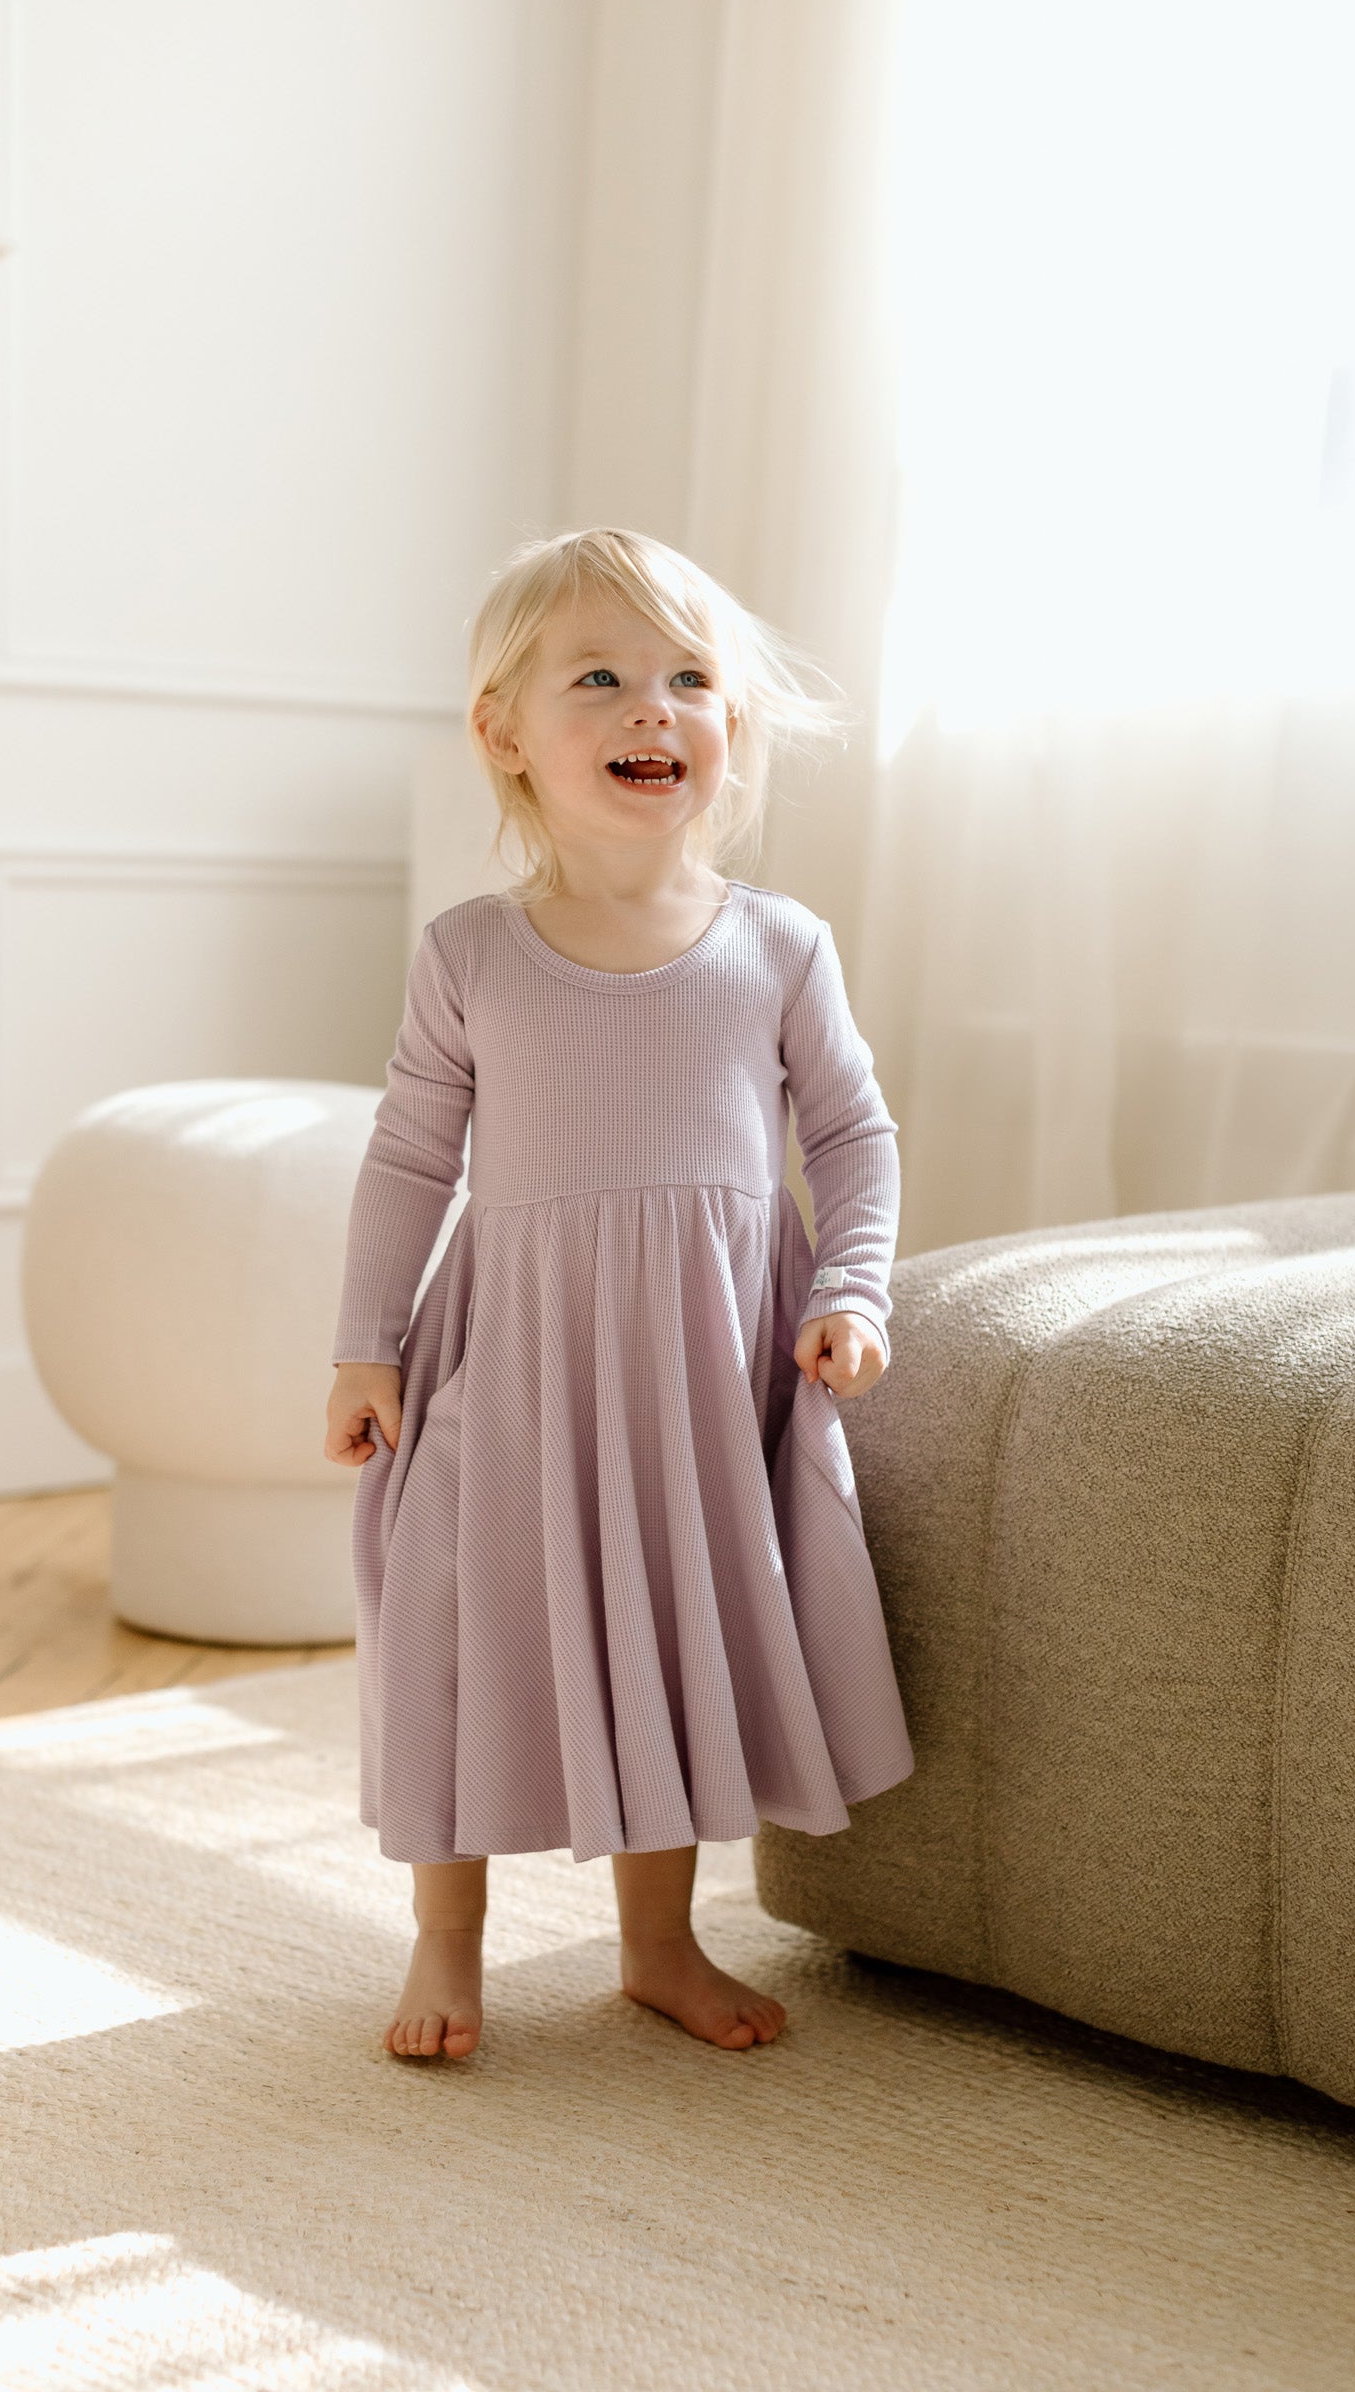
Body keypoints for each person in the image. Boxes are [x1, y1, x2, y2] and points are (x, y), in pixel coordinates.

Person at [324, 526, 914, 2062]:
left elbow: (851, 1134)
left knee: (670, 1633)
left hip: (703, 1373)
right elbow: (410, 1156)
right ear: (504, 732)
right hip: (517, 1362)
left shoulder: (779, 947)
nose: (653, 707)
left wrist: (851, 1288)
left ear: (733, 728)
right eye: (600, 678)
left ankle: (658, 1941)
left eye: (689, 679)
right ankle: (447, 1941)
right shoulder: (472, 955)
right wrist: (365, 1348)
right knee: (460, 1626)